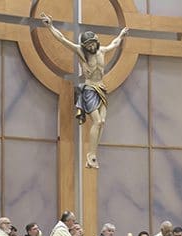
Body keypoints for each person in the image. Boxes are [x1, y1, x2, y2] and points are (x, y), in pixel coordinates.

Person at [41, 12, 129, 169]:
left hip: (101, 87)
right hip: (89, 88)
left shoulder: (102, 51)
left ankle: (93, 155)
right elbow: (62, 39)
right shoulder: (81, 52)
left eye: (92, 44)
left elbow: (114, 44)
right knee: (97, 121)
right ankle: (91, 155)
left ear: (96, 42)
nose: (90, 47)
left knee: (102, 123)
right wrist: (50, 26)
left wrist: (121, 35)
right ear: (84, 46)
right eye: (87, 45)